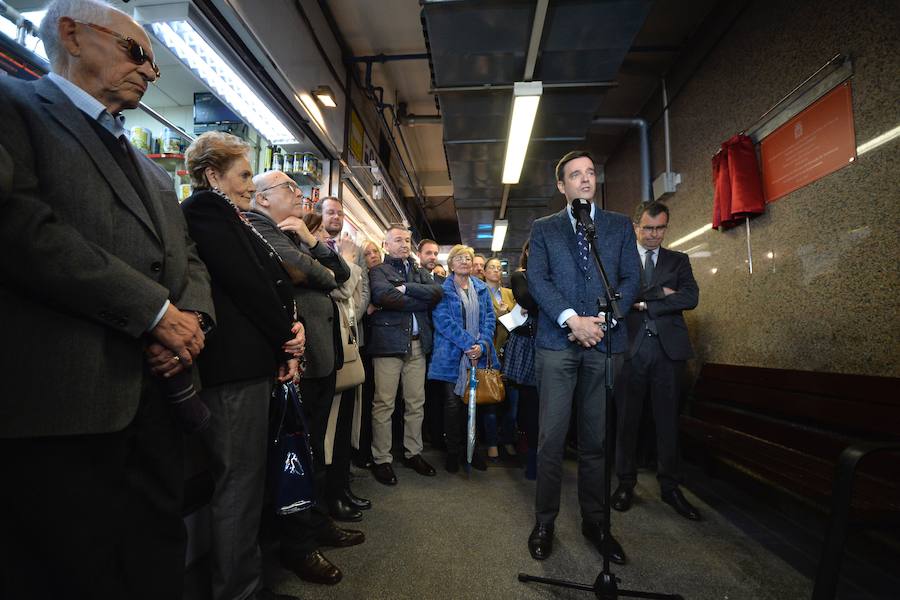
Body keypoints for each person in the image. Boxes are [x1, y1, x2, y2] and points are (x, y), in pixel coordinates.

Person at [0, 2, 214, 598]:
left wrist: (191, 320)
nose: (150, 71)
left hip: (157, 401)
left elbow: (188, 257)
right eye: (136, 53)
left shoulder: (154, 173)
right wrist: (154, 312)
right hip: (61, 406)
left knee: (155, 554)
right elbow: (19, 226)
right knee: (69, 567)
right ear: (71, 34)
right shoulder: (13, 106)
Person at [181, 133, 314, 599]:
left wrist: (289, 332)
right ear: (212, 175)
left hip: (250, 365)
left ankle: (246, 582)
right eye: (242, 176)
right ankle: (238, 590)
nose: (249, 187)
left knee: (247, 479)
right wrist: (286, 337)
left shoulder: (230, 215)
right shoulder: (205, 211)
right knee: (238, 484)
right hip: (234, 369)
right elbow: (249, 283)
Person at [526, 150, 640, 564]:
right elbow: (537, 279)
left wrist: (604, 322)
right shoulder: (544, 229)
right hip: (557, 345)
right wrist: (573, 320)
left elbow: (631, 279)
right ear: (562, 186)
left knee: (596, 441)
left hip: (604, 344)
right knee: (551, 440)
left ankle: (596, 523)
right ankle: (544, 522)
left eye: (590, 173)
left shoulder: (617, 226)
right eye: (576, 175)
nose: (585, 180)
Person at [247, 176, 371, 534]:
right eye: (289, 188)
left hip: (320, 353)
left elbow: (342, 272)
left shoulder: (293, 231)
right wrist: (318, 269)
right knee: (299, 449)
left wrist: (311, 239)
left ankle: (316, 521)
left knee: (314, 445)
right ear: (263, 199)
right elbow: (321, 276)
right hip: (298, 357)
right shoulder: (259, 228)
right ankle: (303, 530)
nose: (300, 194)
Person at [613, 201, 701, 521]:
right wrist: (661, 294)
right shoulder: (621, 260)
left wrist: (645, 302)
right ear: (636, 226)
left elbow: (690, 297)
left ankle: (670, 486)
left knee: (667, 422)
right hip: (631, 350)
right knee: (627, 421)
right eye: (648, 228)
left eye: (660, 228)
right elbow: (619, 298)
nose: (654, 235)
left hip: (668, 352)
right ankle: (625, 483)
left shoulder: (679, 260)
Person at [368, 224, 443, 484]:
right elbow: (382, 295)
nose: (403, 244)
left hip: (418, 343)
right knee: (384, 404)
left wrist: (405, 289)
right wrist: (413, 296)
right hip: (388, 344)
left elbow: (436, 293)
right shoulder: (378, 270)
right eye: (397, 240)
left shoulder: (419, 271)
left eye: (407, 240)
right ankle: (382, 459)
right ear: (386, 244)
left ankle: (413, 453)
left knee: (415, 402)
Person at [314, 197, 373, 518]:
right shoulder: (315, 246)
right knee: (330, 426)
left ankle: (343, 486)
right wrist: (348, 267)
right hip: (327, 343)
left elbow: (361, 293)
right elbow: (338, 288)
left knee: (348, 417)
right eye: (330, 212)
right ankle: (330, 495)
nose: (336, 217)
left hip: (351, 338)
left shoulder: (353, 249)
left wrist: (351, 317)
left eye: (340, 212)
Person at [428, 245, 500, 472]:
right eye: (459, 258)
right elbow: (443, 322)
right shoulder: (442, 289)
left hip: (477, 356)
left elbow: (490, 318)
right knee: (452, 405)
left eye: (468, 258)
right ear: (450, 264)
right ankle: (453, 452)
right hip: (451, 356)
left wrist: (482, 345)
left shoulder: (480, 288)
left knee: (475, 403)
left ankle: (474, 450)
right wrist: (470, 345)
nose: (465, 261)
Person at [502, 242, 540, 479]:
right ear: (526, 252)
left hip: (549, 342)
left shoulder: (552, 274)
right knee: (528, 404)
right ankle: (530, 456)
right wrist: (550, 304)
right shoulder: (520, 276)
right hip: (526, 345)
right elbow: (526, 299)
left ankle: (538, 453)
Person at [482, 257, 516, 460]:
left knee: (511, 403)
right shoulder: (479, 292)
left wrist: (507, 314)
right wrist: (501, 315)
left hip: (510, 352)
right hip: (490, 352)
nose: (496, 270)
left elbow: (520, 320)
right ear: (484, 272)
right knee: (491, 399)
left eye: (499, 268)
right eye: (491, 267)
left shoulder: (510, 294)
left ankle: (508, 439)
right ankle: (492, 442)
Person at [417, 238, 444, 448]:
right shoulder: (415, 277)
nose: (433, 257)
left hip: (439, 344)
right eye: (428, 253)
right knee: (419, 393)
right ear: (419, 254)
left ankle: (434, 432)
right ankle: (423, 432)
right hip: (422, 341)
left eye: (435, 253)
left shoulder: (441, 281)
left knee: (435, 392)